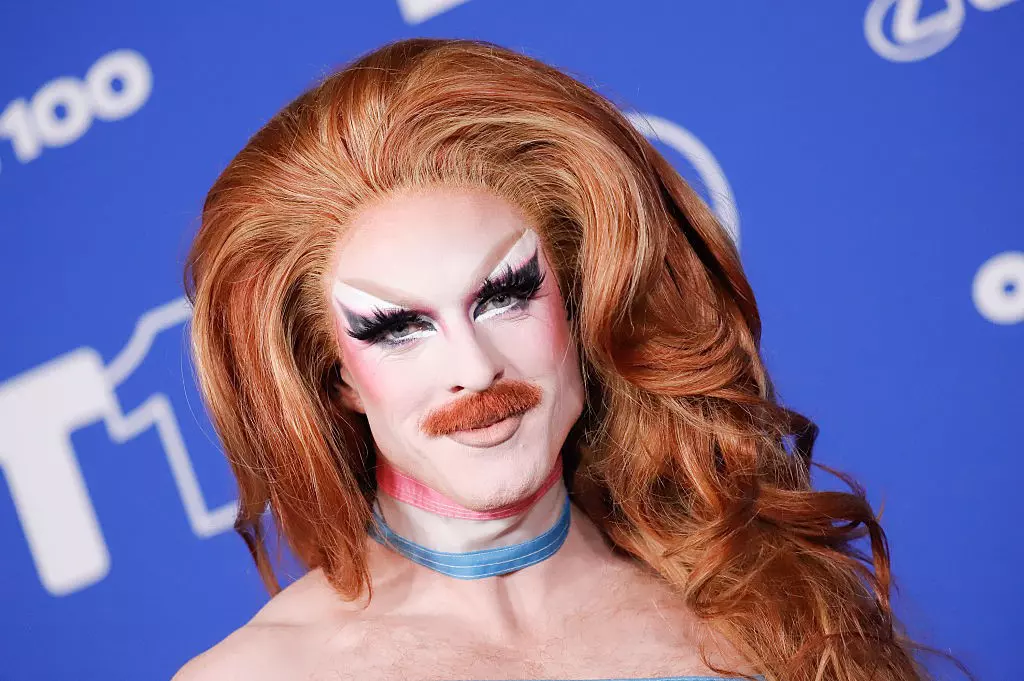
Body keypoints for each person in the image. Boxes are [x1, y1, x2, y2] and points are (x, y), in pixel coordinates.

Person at [173, 37, 937, 681]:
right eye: (397, 327)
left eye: (505, 294)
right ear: (335, 376)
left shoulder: (761, 598)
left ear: (576, 303)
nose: (474, 366)